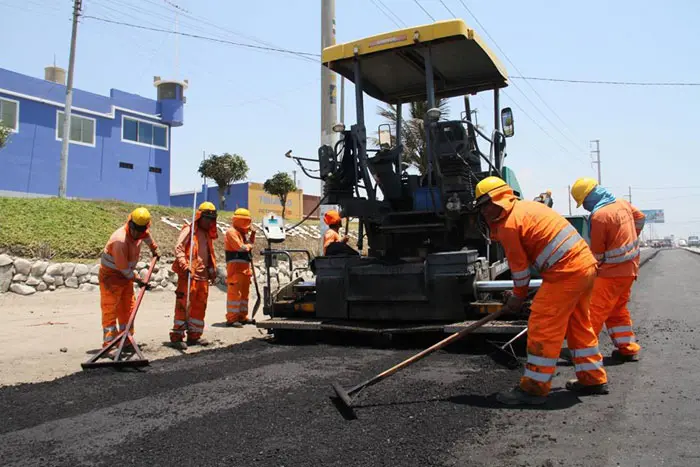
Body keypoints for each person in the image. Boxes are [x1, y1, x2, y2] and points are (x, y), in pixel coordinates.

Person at [473, 176, 608, 405]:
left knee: (542, 326)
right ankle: (592, 378)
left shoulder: (509, 224)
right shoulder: (526, 208)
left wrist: (517, 298)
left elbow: (520, 271)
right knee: (578, 324)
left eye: (487, 204)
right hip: (583, 267)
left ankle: (534, 389)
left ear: (499, 199)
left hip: (566, 273)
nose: (484, 211)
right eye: (481, 207)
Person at [571, 177, 645, 362]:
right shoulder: (623, 204)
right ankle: (627, 348)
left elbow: (597, 254)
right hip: (629, 270)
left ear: (589, 197)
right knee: (617, 311)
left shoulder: (599, 216)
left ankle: (583, 354)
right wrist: (631, 238)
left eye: (584, 202)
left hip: (610, 274)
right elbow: (641, 218)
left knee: (592, 314)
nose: (585, 207)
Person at [99, 207, 160, 348]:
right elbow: (124, 269)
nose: (136, 233)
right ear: (130, 224)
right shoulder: (119, 240)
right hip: (111, 277)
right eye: (135, 229)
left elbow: (147, 237)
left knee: (127, 308)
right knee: (110, 309)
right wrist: (138, 279)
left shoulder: (141, 232)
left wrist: (154, 249)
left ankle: (125, 339)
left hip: (126, 277)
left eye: (140, 230)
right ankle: (109, 344)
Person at [169, 201, 218, 350]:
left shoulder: (207, 234)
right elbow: (179, 248)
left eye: (211, 219)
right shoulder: (189, 231)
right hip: (189, 275)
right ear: (199, 217)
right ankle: (177, 336)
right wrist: (184, 265)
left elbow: (208, 254)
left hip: (202, 277)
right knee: (183, 306)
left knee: (199, 307)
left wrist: (211, 270)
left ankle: (194, 336)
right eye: (207, 219)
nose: (209, 222)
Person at [225, 208, 256, 327]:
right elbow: (241, 248)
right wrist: (249, 245)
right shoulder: (231, 232)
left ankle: (242, 316)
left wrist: (252, 234)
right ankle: (232, 319)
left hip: (245, 269)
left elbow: (249, 245)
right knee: (234, 295)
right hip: (235, 269)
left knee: (244, 295)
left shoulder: (244, 234)